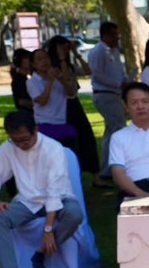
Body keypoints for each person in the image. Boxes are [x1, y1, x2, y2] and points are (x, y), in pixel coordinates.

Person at [0, 110, 85, 268]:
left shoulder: (53, 148)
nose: (21, 145)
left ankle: (41, 252)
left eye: (25, 139)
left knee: (74, 214)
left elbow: (54, 192)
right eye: (16, 140)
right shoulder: (7, 148)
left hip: (60, 198)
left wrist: (48, 229)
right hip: (27, 201)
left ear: (36, 130)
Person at [49, 35, 100, 176]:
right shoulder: (52, 67)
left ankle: (93, 172)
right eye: (63, 49)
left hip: (74, 102)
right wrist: (62, 59)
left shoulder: (69, 64)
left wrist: (76, 53)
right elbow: (65, 81)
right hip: (62, 106)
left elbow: (88, 71)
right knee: (71, 140)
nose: (66, 51)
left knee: (86, 136)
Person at [88, 22, 125, 184]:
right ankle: (110, 168)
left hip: (114, 93)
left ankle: (109, 167)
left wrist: (125, 81)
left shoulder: (114, 51)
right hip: (105, 94)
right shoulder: (98, 51)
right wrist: (118, 84)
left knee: (112, 130)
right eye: (114, 35)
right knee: (117, 128)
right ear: (105, 35)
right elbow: (97, 75)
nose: (117, 38)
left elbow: (118, 71)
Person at [27, 46, 77, 148]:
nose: (44, 61)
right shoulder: (32, 82)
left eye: (46, 58)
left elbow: (71, 94)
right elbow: (42, 101)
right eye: (39, 59)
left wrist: (62, 79)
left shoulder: (57, 78)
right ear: (34, 64)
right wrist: (50, 81)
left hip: (62, 121)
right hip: (45, 123)